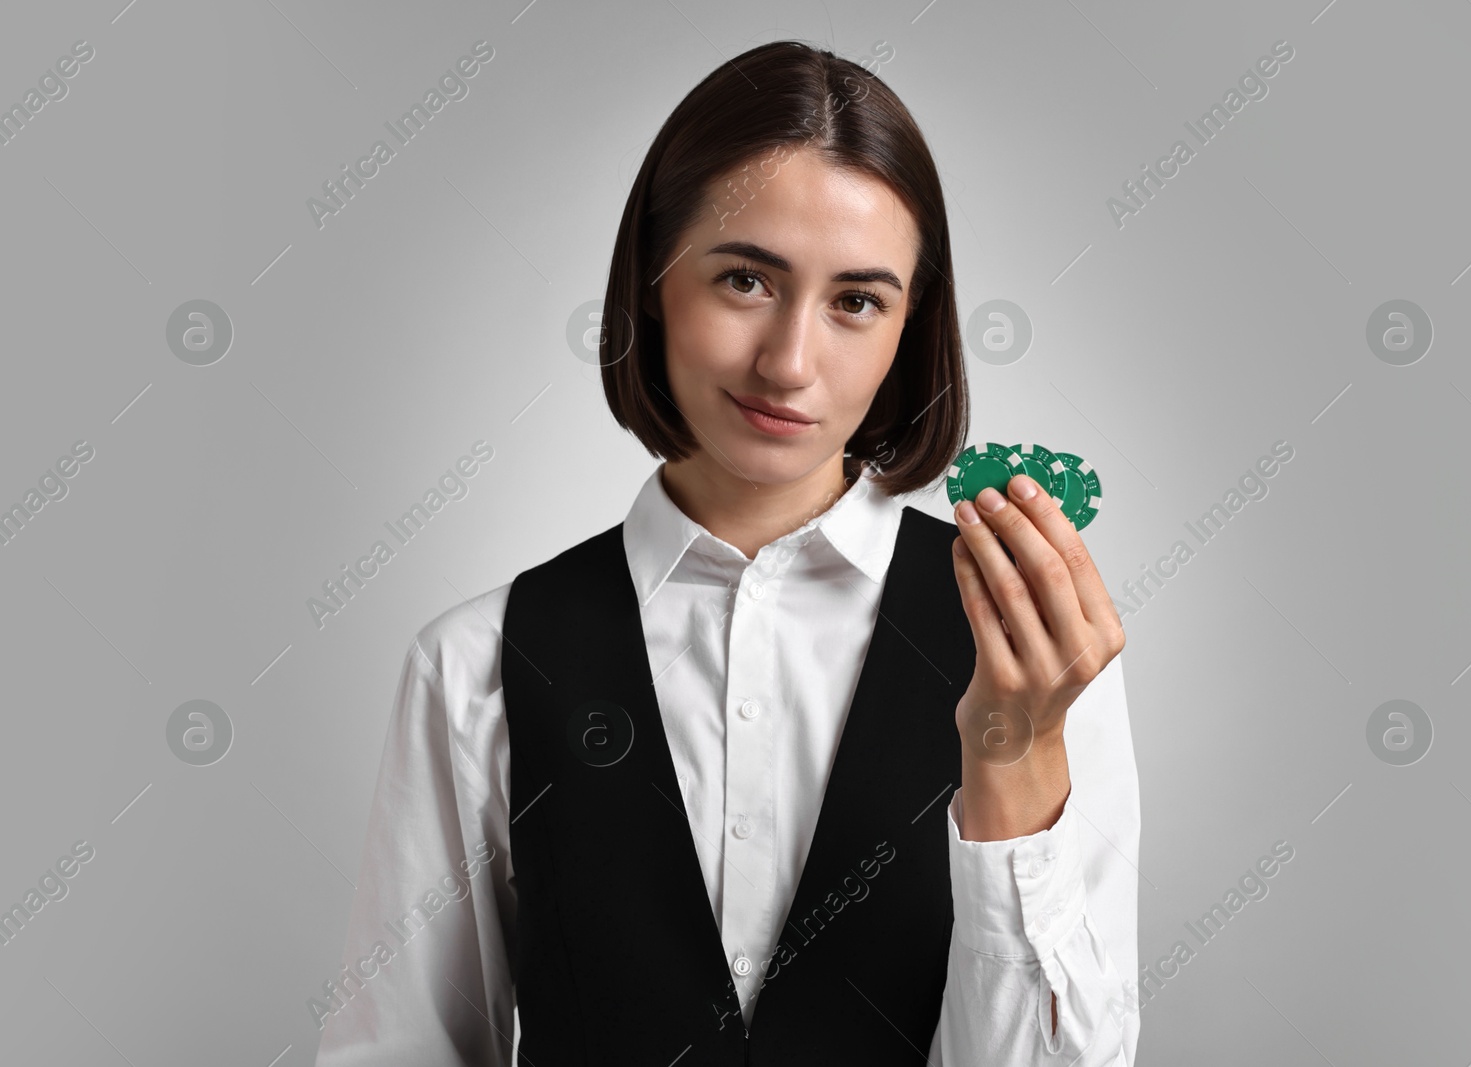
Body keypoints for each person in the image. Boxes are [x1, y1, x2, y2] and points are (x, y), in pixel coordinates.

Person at [312, 39, 1139, 1066]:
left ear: (906, 331)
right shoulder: (476, 662)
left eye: (856, 301)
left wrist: (1012, 762)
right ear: (654, 281)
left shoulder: (1031, 654)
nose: (788, 363)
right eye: (745, 279)